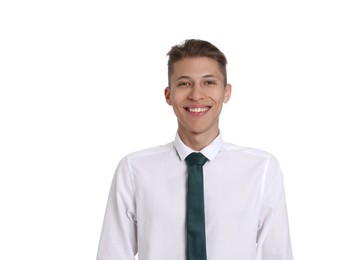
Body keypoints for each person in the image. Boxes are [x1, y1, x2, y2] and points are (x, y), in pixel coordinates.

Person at [97, 39, 293, 260]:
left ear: (226, 92)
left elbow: (277, 254)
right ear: (168, 95)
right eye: (184, 83)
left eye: (209, 82)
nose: (196, 95)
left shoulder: (262, 169)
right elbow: (112, 254)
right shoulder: (134, 170)